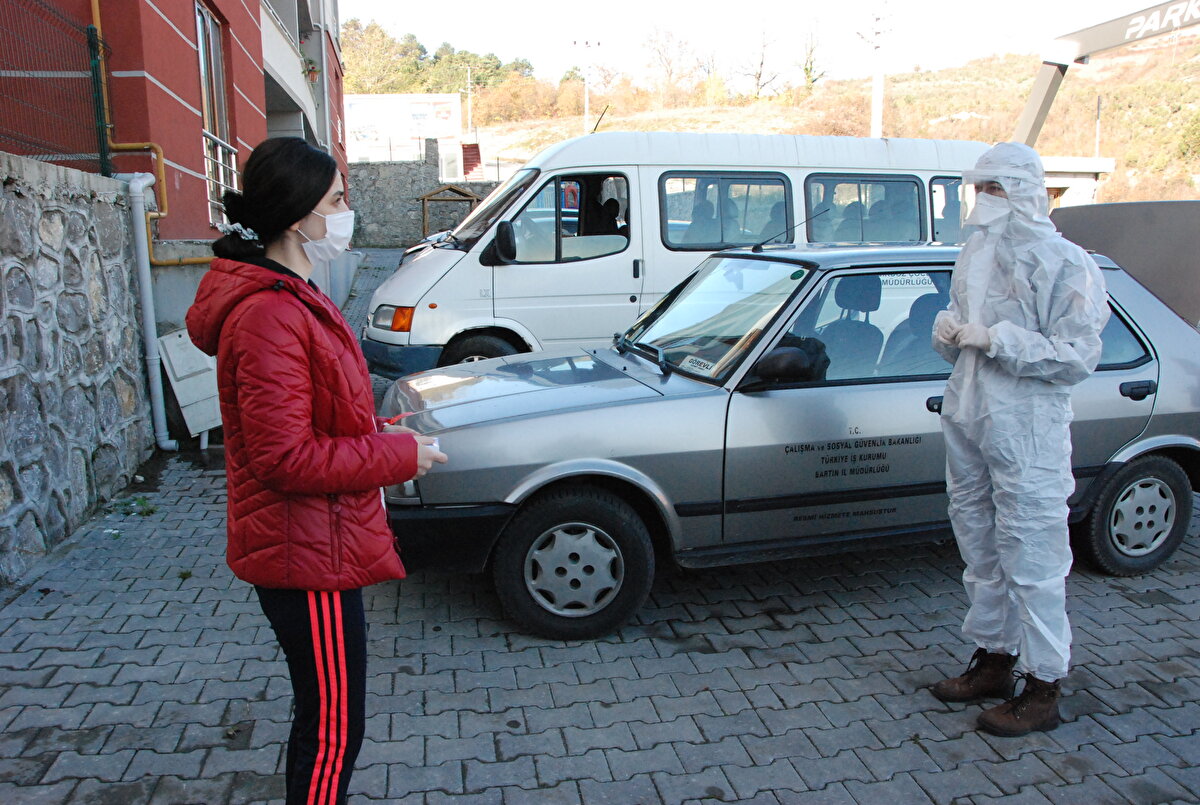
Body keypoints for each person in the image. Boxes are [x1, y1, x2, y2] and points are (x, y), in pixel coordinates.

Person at [186, 137, 447, 803]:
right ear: (299, 216)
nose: (344, 213)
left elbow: (313, 419)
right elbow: (284, 456)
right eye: (336, 200)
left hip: (319, 542)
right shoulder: (270, 312)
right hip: (308, 554)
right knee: (332, 730)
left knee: (327, 720)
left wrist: (385, 430)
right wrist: (398, 457)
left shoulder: (290, 293)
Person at [929, 142, 1108, 737]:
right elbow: (956, 331)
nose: (985, 200)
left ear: (1028, 191)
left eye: (997, 188)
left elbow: (1076, 357)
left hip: (1027, 426)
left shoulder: (1067, 263)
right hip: (971, 414)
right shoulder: (974, 252)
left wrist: (996, 337)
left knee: (1032, 556)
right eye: (980, 188)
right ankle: (995, 662)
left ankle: (1044, 685)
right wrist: (951, 333)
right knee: (979, 544)